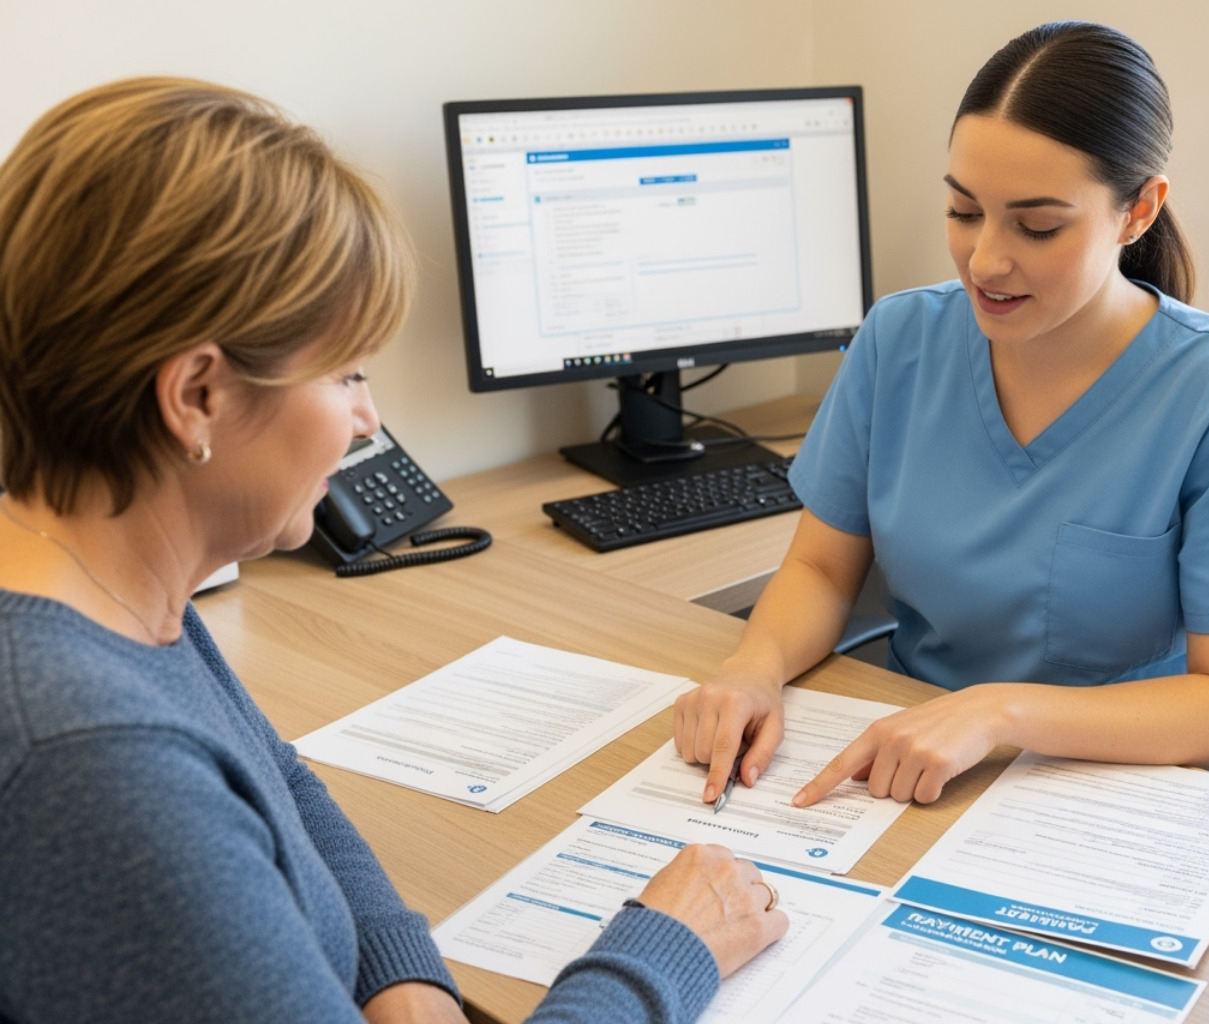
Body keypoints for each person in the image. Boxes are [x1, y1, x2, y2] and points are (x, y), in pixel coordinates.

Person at [0, 78, 785, 1024]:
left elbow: (278, 778)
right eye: (347, 372)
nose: (369, 421)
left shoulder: (100, 583)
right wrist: (662, 951)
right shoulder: (94, 755)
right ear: (197, 395)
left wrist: (398, 974)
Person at [674, 21, 1209, 810]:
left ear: (1137, 212)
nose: (986, 260)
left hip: (1128, 796)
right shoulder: (899, 341)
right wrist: (753, 667)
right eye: (963, 211)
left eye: (1038, 225)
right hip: (914, 773)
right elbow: (822, 570)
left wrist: (997, 711)